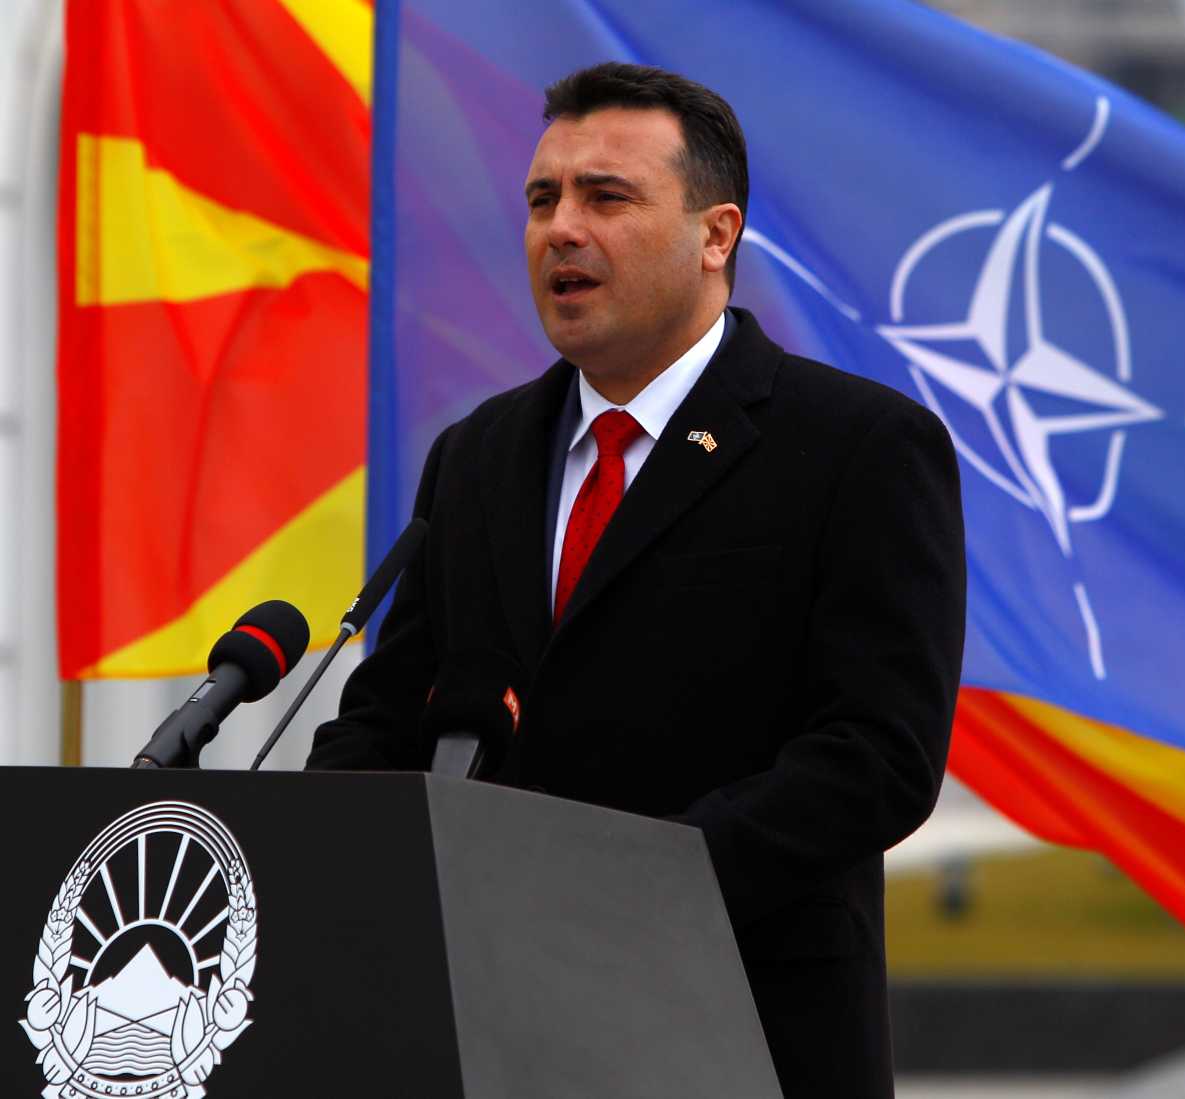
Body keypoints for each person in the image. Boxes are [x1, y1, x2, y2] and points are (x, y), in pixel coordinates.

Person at [308, 62, 966, 1098]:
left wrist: (630, 884)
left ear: (717, 234)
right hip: (490, 1033)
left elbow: (878, 754)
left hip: (741, 1025)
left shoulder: (859, 448)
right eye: (541, 199)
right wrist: (323, 847)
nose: (561, 228)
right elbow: (390, 715)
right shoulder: (476, 456)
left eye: (605, 197)